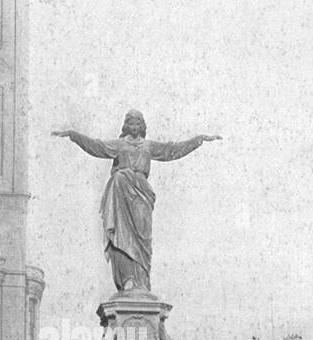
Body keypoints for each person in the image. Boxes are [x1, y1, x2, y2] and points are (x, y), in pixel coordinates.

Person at [53, 111, 220, 292]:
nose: (134, 127)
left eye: (137, 124)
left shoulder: (148, 146)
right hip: (121, 195)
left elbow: (171, 150)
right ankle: (128, 279)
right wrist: (74, 135)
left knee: (142, 238)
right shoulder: (119, 145)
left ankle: (142, 281)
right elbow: (97, 147)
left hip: (141, 195)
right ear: (126, 126)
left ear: (142, 126)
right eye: (131, 124)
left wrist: (198, 140)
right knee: (122, 236)